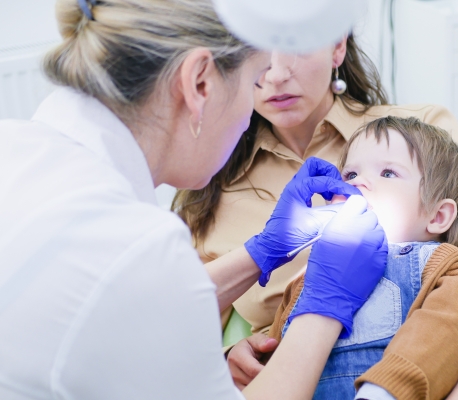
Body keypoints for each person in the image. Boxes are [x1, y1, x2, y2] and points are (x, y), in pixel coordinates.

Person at [0, 1, 389, 399]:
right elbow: (140, 286)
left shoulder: (14, 147)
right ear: (200, 82)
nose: (247, 120)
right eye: (256, 79)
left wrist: (262, 252)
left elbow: (143, 309)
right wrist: (323, 307)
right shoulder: (139, 249)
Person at [176, 33, 458, 399]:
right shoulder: (206, 184)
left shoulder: (420, 133)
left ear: (338, 45)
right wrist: (230, 361)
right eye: (255, 47)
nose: (275, 73)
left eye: (295, 41)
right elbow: (175, 328)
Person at [268, 116, 458, 400]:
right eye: (349, 175)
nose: (359, 183)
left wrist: (383, 391)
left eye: (387, 173)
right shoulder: (308, 275)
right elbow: (279, 352)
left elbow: (445, 331)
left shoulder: (445, 266)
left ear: (438, 215)